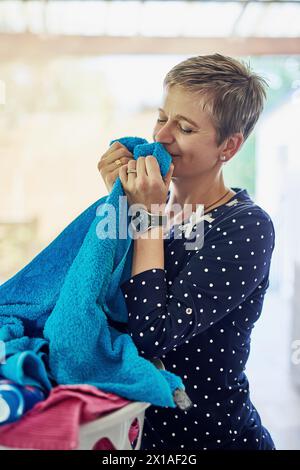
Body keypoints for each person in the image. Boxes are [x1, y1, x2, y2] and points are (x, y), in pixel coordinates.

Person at [98, 53, 276, 450]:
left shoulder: (247, 226)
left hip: (209, 437)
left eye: (185, 127)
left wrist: (147, 215)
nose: (161, 136)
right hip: (134, 433)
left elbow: (152, 334)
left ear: (228, 147)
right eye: (162, 118)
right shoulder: (152, 210)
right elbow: (106, 301)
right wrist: (118, 203)